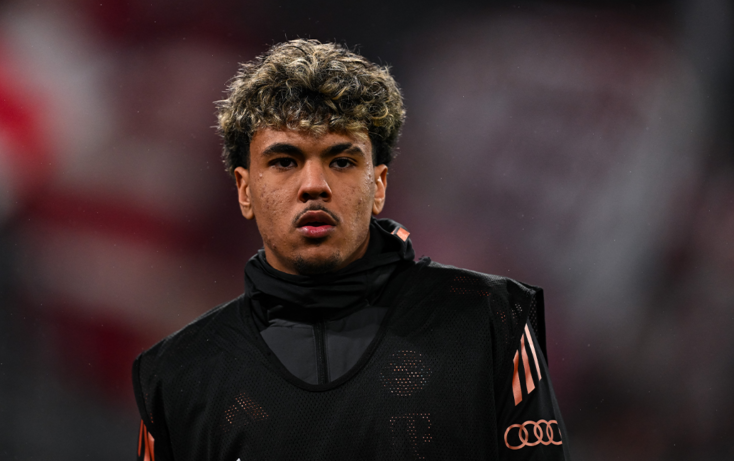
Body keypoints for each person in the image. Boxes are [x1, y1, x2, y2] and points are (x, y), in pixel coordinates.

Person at [132, 39, 571, 461]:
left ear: (379, 183)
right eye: (284, 162)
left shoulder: (489, 317)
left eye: (341, 161)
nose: (313, 186)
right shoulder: (176, 369)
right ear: (244, 189)